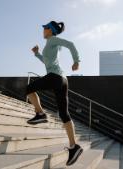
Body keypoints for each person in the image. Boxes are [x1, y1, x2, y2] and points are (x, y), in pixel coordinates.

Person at [25, 21, 83, 166]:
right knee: (63, 114)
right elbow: (46, 62)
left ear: (50, 30)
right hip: (62, 79)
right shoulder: (50, 44)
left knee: (28, 89)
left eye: (45, 28)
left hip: (55, 77)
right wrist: (37, 53)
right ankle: (74, 146)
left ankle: (40, 114)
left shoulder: (53, 40)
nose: (43, 30)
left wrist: (76, 61)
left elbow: (70, 44)